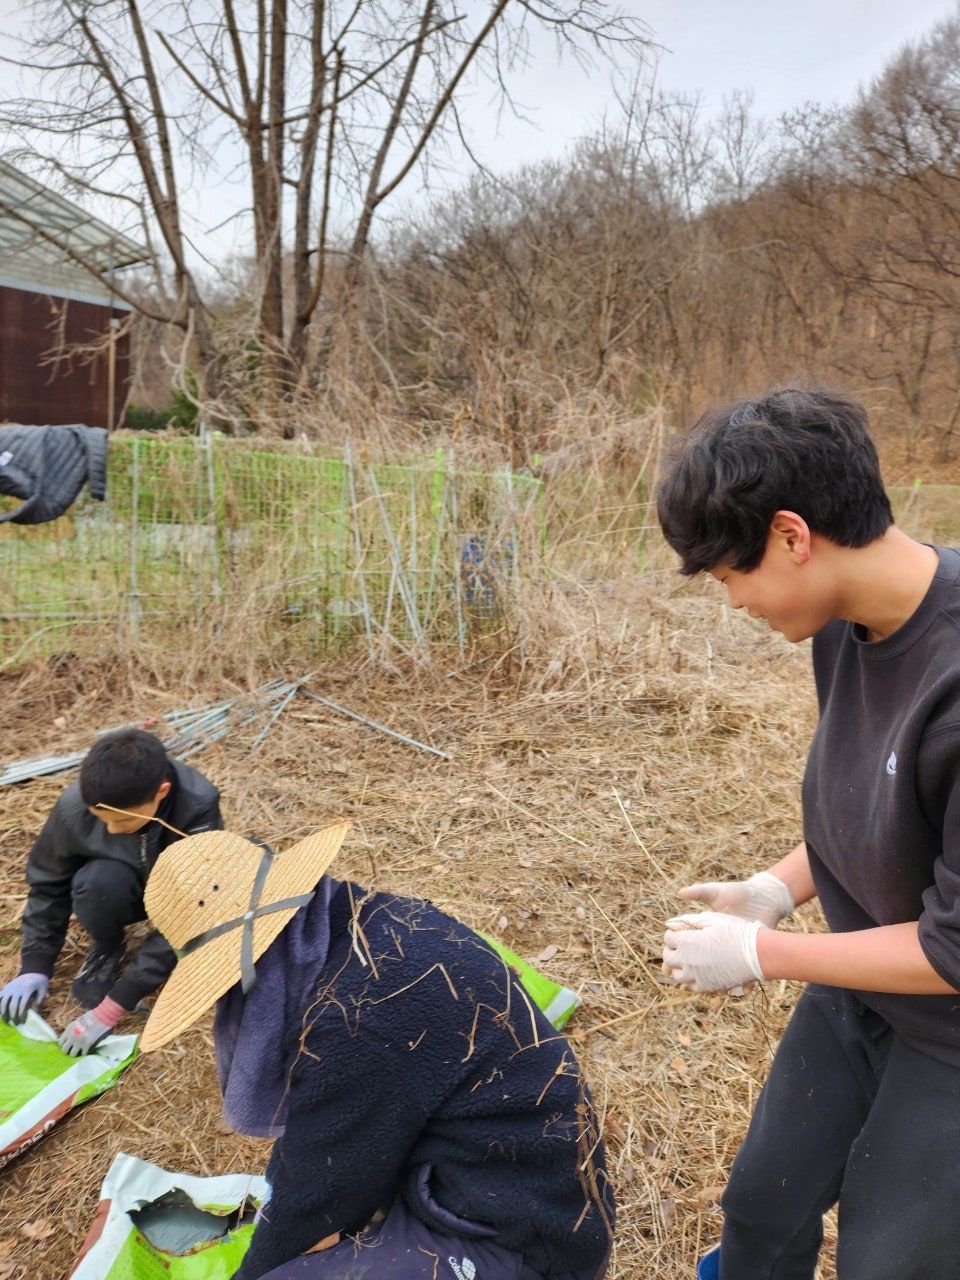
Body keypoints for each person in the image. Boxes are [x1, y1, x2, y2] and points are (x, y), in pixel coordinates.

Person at [655, 387, 960, 1280]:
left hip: (948, 1025)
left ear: (792, 535)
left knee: (890, 1259)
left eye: (729, 577)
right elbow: (879, 801)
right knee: (760, 1207)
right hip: (861, 987)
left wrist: (763, 953)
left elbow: (952, 950)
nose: (734, 603)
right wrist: (777, 890)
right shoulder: (842, 619)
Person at [138, 824, 615, 1280]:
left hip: (527, 1237)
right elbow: (321, 1142)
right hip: (505, 1176)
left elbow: (319, 1201)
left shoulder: (355, 1018)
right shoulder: (366, 919)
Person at [0, 727, 222, 1055]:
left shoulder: (197, 807)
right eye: (100, 819)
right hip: (116, 886)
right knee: (97, 883)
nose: (111, 830)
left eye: (123, 822)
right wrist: (36, 962)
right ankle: (107, 947)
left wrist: (118, 1002)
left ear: (162, 792)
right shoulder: (74, 806)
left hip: (179, 891)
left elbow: (198, 906)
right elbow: (49, 885)